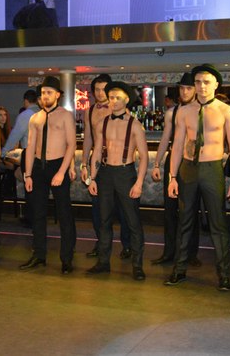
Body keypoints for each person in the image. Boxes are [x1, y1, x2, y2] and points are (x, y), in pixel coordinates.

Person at [164, 64, 230, 292]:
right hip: (188, 168)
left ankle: (224, 275)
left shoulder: (226, 111)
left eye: (206, 82)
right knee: (185, 221)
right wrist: (172, 177)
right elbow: (177, 145)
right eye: (198, 82)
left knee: (218, 224)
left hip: (212, 168)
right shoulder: (184, 111)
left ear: (216, 84)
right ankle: (179, 270)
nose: (201, 86)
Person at [86, 81, 148, 281]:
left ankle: (137, 265)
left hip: (125, 173)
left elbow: (144, 156)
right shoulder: (102, 123)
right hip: (104, 174)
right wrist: (92, 178)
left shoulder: (135, 124)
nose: (113, 101)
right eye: (111, 97)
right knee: (104, 220)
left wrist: (139, 183)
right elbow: (97, 151)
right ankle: (103, 262)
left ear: (126, 100)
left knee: (132, 221)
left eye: (118, 98)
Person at [20, 76, 77, 274]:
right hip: (38, 167)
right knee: (37, 213)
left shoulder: (65, 115)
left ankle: (67, 259)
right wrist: (28, 174)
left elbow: (71, 145)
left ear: (58, 95)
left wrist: (62, 171)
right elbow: (30, 147)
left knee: (64, 214)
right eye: (43, 92)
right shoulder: (35, 118)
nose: (45, 96)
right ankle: (39, 255)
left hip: (58, 164)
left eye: (49, 92)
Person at [150, 72, 201, 266]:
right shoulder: (172, 112)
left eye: (189, 88)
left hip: (194, 163)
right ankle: (169, 252)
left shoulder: (202, 110)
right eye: (182, 88)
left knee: (191, 209)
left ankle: (190, 254)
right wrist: (157, 163)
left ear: (196, 89)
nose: (185, 92)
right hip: (174, 161)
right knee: (170, 210)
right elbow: (165, 138)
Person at [80, 74, 131, 259]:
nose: (100, 93)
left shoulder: (120, 109)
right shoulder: (90, 111)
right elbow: (88, 139)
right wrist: (84, 164)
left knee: (123, 208)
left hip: (118, 164)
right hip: (98, 164)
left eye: (104, 89)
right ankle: (101, 244)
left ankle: (127, 245)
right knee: (98, 209)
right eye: (97, 90)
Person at [1, 89, 40, 227]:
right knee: (39, 188)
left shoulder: (25, 115)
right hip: (43, 155)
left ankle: (31, 219)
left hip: (29, 153)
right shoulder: (43, 113)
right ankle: (37, 218)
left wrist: (3, 152)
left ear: (26, 101)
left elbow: (15, 136)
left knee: (29, 186)